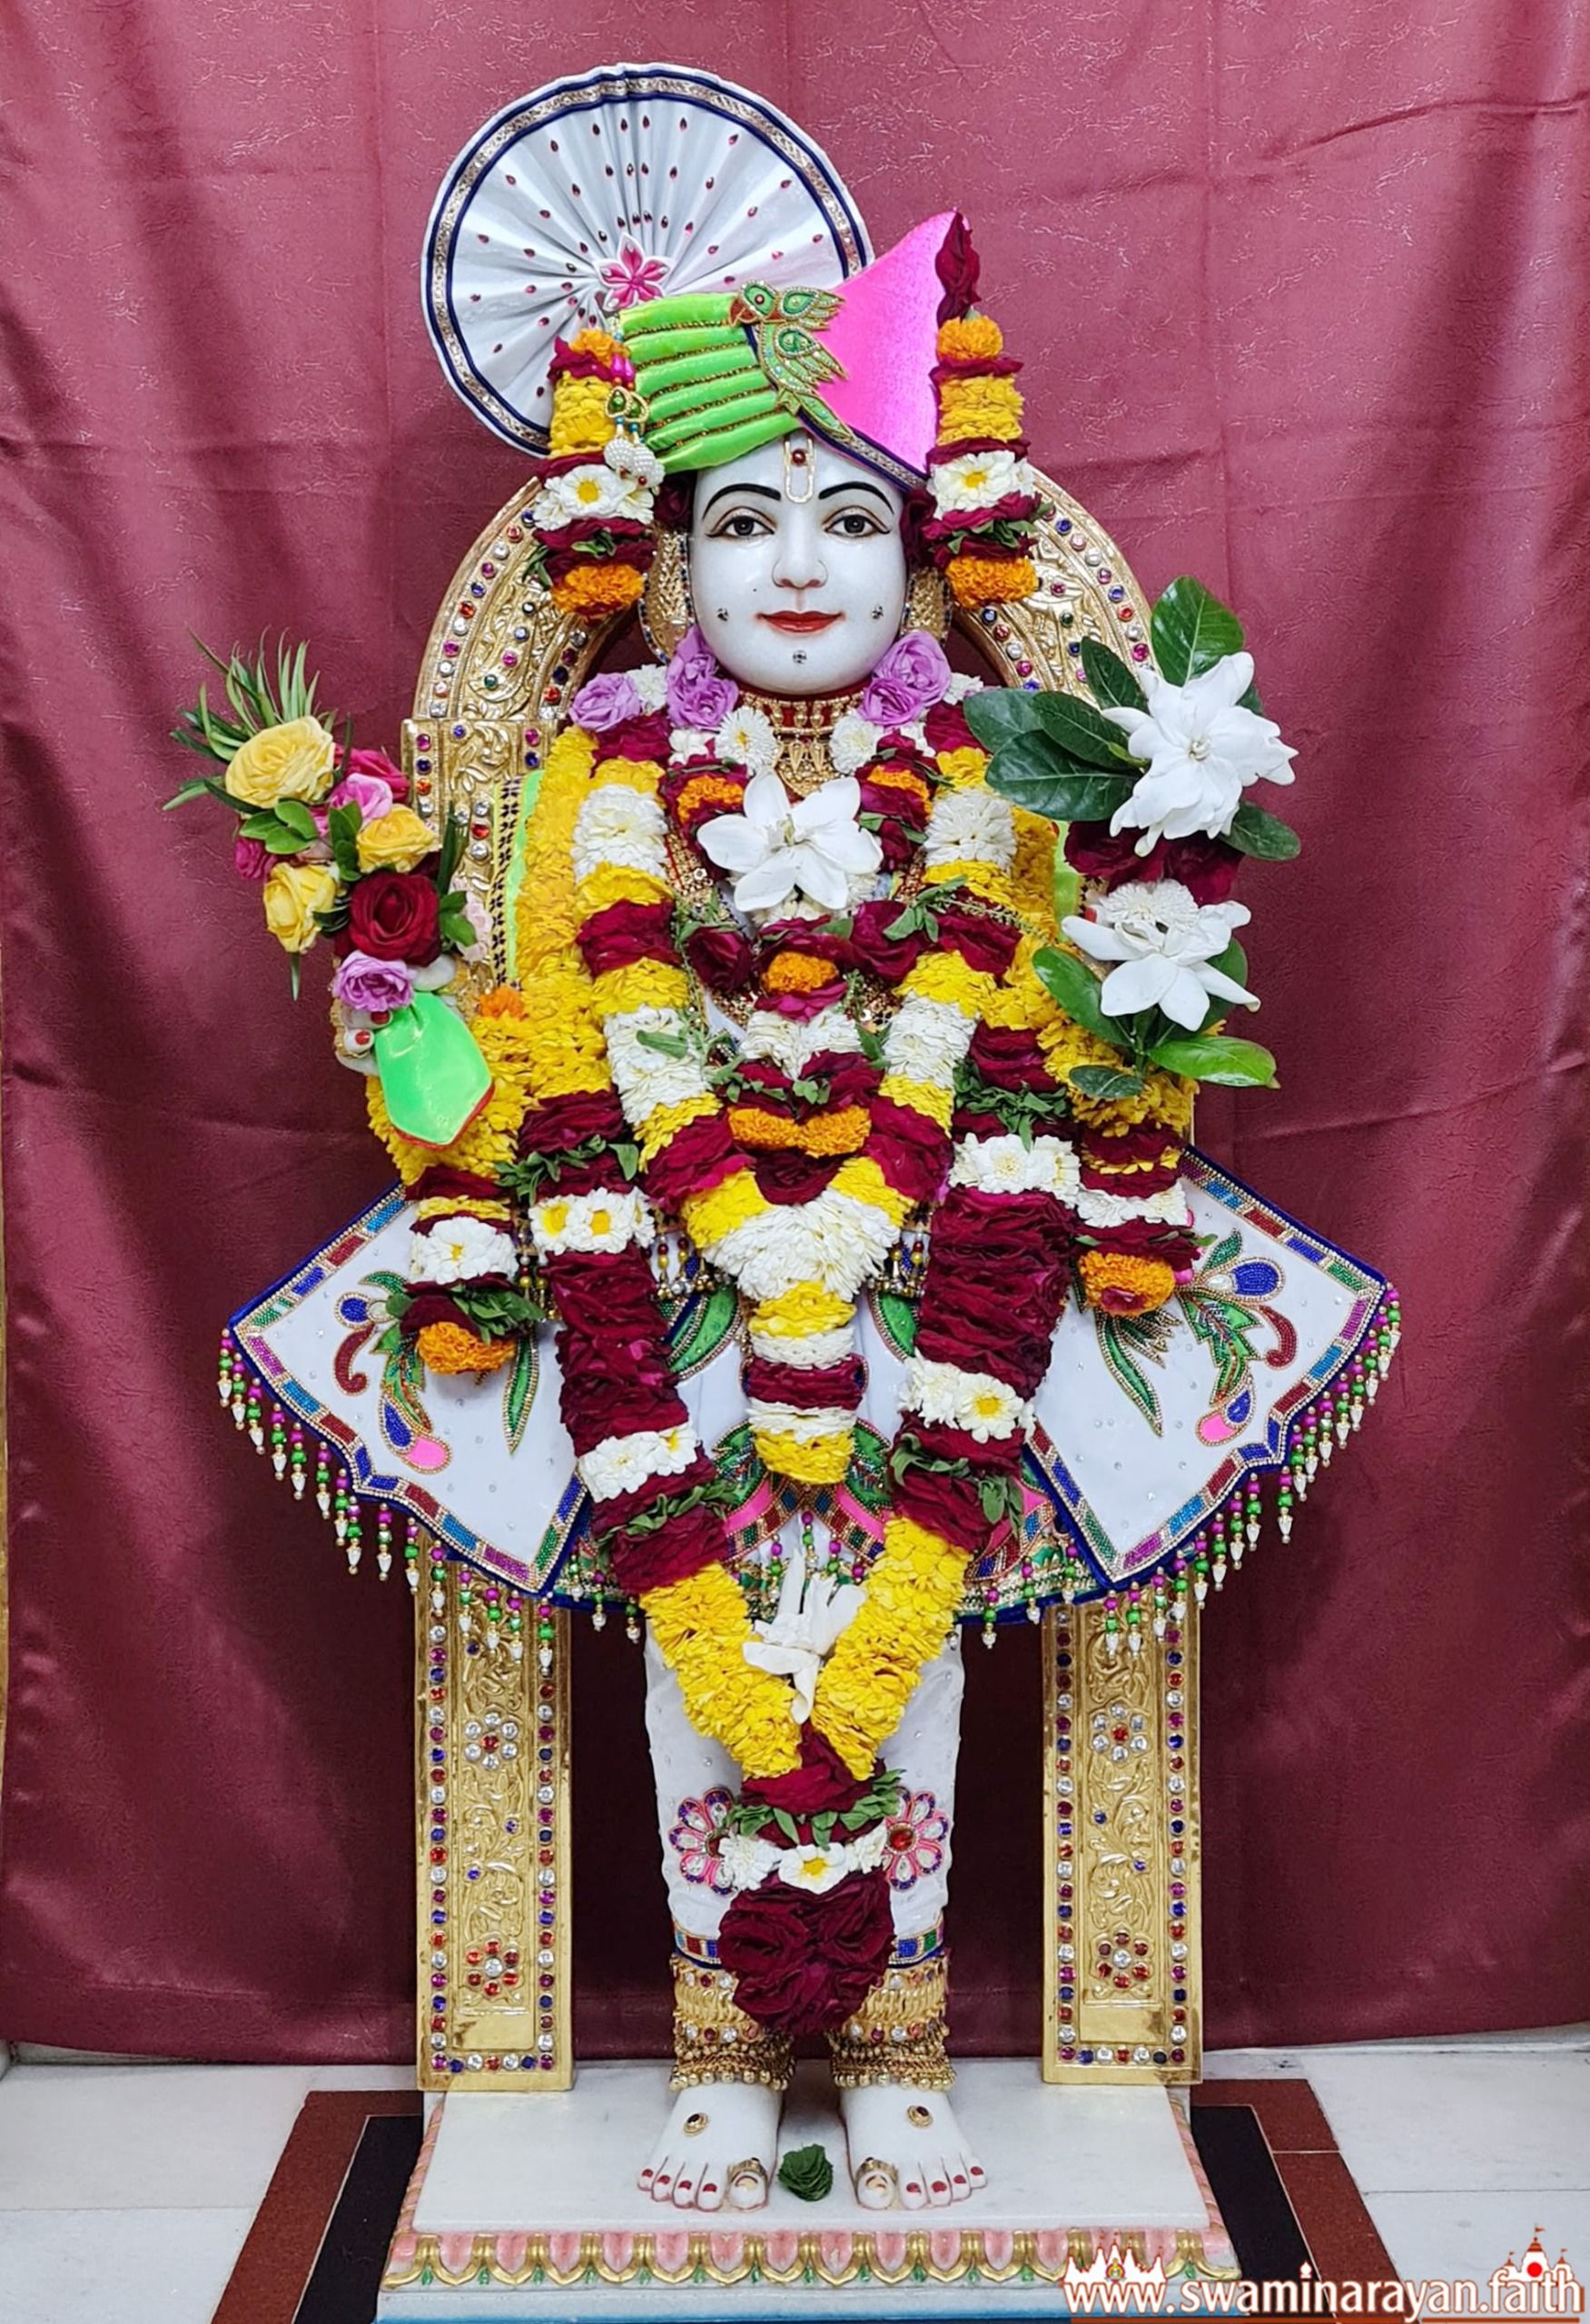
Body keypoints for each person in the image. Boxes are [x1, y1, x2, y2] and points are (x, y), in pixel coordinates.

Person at [190, 74, 1394, 2221]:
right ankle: (739, 2041)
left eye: (849, 512)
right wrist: (613, 1163)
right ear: (658, 569)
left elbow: (1053, 1009)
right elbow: (558, 1011)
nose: (802, 563)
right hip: (653, 1234)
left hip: (944, 1235)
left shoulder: (998, 762)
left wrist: (1013, 1161)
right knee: (700, 1621)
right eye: (741, 521)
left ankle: (903, 2032)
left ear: (923, 543)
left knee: (898, 1627)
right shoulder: (591, 772)